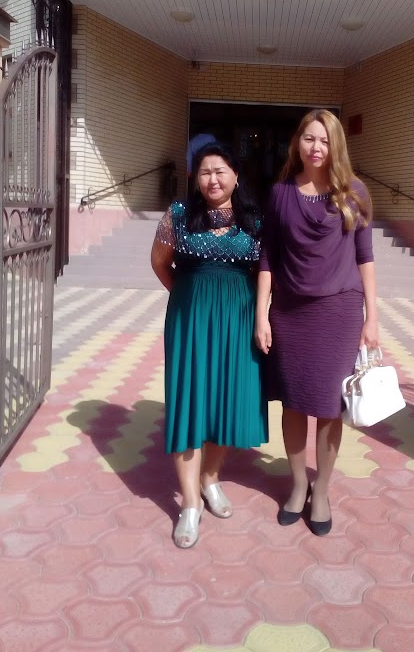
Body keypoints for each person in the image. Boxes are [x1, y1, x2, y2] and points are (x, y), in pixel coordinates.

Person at [255, 109, 378, 536]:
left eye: (325, 140)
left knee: (328, 406)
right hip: (289, 313)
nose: (316, 147)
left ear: (335, 145)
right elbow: (267, 257)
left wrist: (373, 318)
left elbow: (365, 258)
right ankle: (297, 484)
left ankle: (321, 489)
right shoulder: (280, 193)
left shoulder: (354, 193)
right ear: (298, 142)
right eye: (309, 138)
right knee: (292, 403)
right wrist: (261, 314)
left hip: (338, 314)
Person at [151, 140, 267, 548]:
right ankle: (189, 504)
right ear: (195, 178)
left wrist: (260, 316)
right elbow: (160, 262)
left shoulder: (255, 219)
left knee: (225, 401)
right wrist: (190, 296)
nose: (213, 179)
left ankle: (210, 479)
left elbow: (266, 271)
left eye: (220, 171)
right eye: (204, 172)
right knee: (189, 403)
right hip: (191, 321)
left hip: (238, 321)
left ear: (236, 176)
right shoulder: (179, 214)